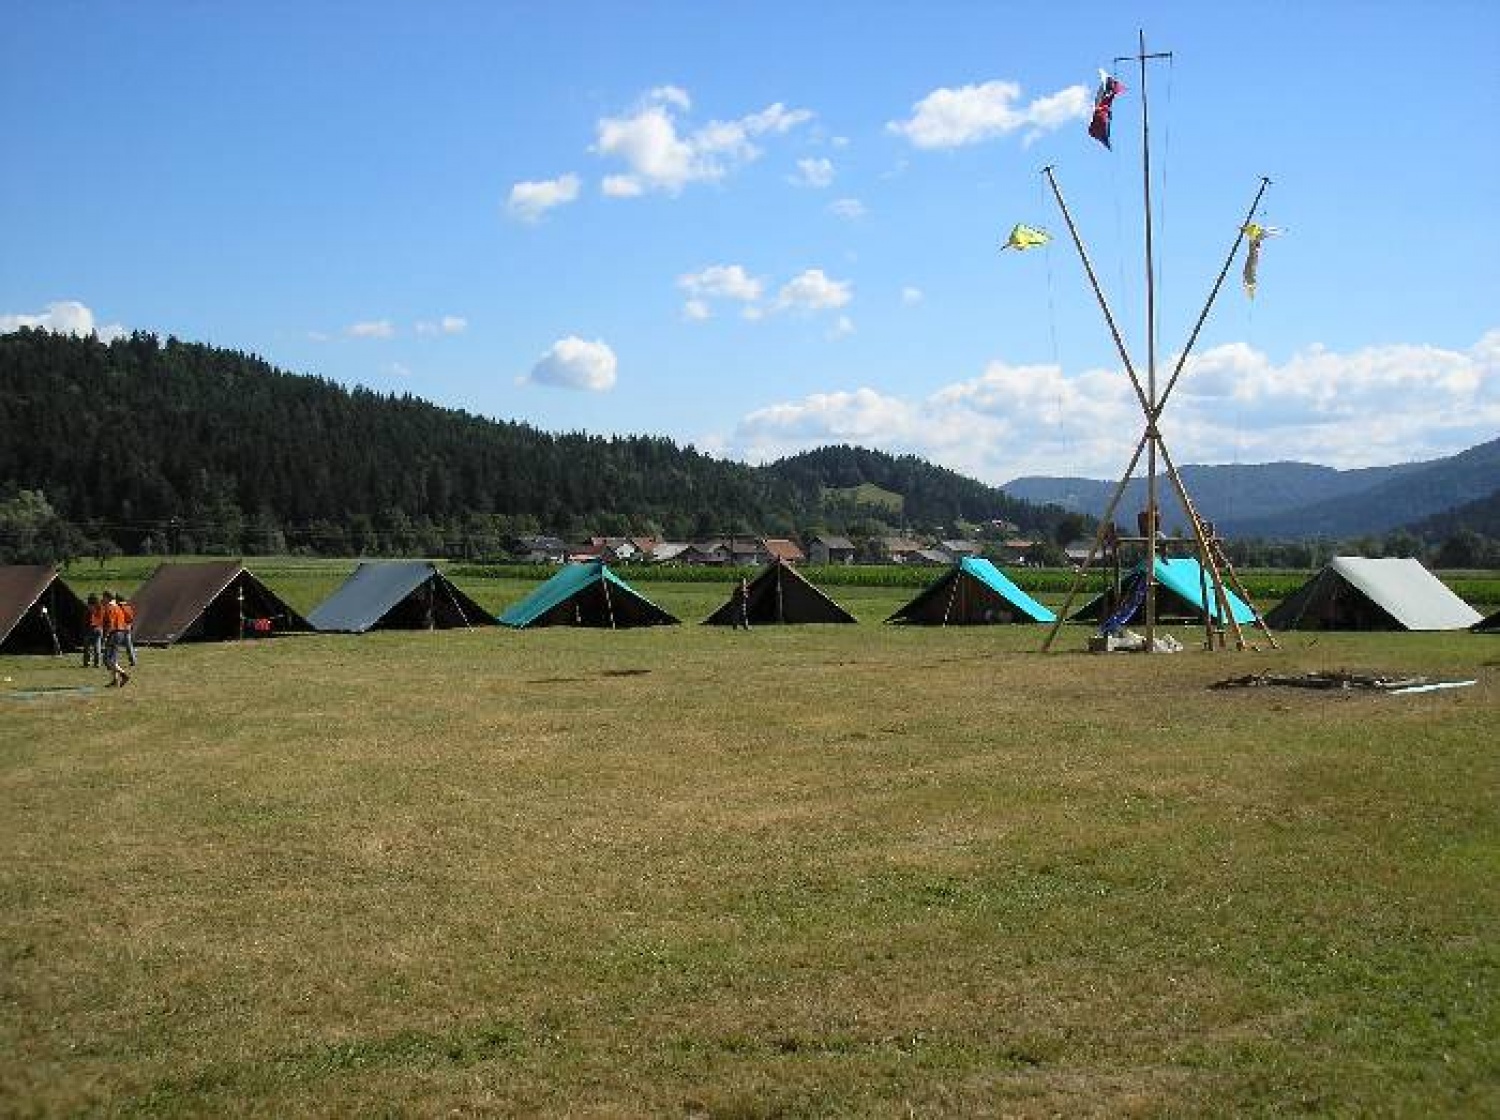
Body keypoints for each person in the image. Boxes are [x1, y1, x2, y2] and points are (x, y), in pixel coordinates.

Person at [101, 591, 131, 688]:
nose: (102, 599)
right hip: (121, 633)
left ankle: (124, 675)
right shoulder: (118, 607)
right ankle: (115, 680)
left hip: (115, 633)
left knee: (107, 660)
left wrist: (105, 636)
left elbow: (110, 623)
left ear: (107, 598)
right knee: (113, 659)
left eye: (104, 597)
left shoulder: (110, 608)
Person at [83, 593, 104, 667]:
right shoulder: (101, 608)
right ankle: (97, 663)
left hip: (90, 628)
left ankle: (87, 662)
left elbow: (88, 620)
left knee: (87, 647)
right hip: (99, 628)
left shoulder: (90, 608)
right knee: (97, 647)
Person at [117, 594, 138, 667]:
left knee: (115, 645)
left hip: (122, 628)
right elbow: (131, 617)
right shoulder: (128, 607)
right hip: (128, 627)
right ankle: (133, 660)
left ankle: (114, 660)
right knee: (129, 645)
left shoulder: (119, 608)